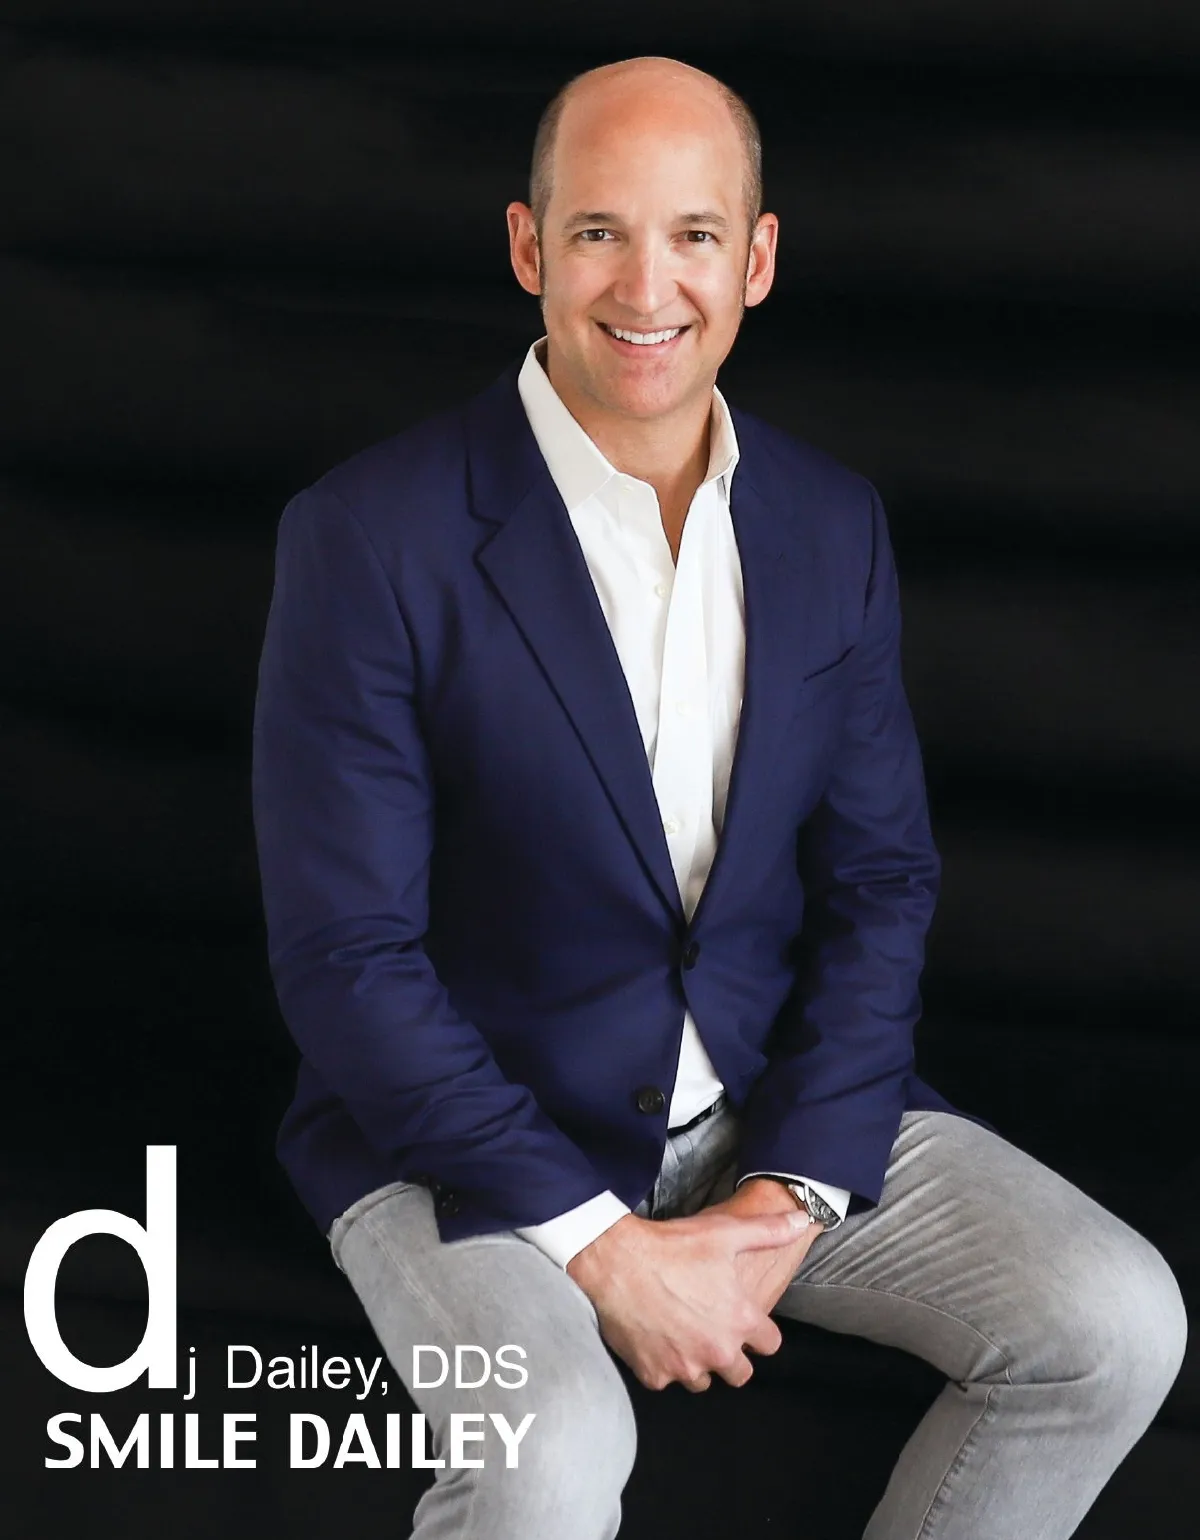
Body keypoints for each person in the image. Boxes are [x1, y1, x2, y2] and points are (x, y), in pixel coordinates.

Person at [251, 54, 1187, 1540]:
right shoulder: (367, 536)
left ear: (755, 260)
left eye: (693, 234)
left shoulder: (830, 523)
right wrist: (607, 1251)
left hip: (759, 1103)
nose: (648, 286)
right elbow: (345, 957)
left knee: (1117, 1320)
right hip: (459, 1144)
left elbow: (881, 882)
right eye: (599, 231)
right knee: (549, 1458)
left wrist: (788, 1192)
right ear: (527, 248)